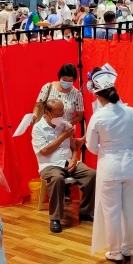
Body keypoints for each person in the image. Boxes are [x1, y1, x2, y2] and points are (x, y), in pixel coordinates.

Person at [84, 65, 133, 263]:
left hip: (109, 167)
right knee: (131, 209)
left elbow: (91, 146)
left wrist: (106, 151)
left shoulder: (98, 117)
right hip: (132, 166)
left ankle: (115, 252)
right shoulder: (131, 112)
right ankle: (127, 249)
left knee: (111, 211)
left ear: (98, 96)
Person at [33, 99, 96, 233]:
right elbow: (44, 151)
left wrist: (74, 158)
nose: (61, 117)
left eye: (62, 113)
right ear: (47, 113)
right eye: (58, 114)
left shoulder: (65, 124)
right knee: (57, 179)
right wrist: (63, 137)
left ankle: (85, 211)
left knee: (92, 174)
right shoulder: (38, 128)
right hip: (49, 164)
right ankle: (55, 218)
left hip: (69, 161)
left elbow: (74, 147)